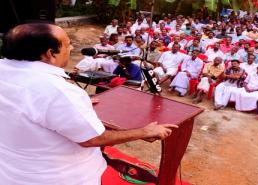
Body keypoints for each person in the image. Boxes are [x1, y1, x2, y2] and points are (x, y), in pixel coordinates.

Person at [0, 23, 177, 184]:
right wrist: (144, 131)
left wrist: (74, 107)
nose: (71, 48)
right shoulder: (59, 92)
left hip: (12, 173)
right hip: (58, 178)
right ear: (50, 53)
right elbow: (93, 138)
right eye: (67, 44)